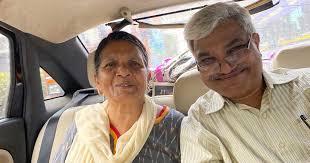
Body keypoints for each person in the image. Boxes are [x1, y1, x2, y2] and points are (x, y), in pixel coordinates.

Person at [181, 2, 310, 162]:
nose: (226, 69)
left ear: (255, 42)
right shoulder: (199, 121)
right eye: (207, 60)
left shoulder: (306, 85)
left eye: (235, 50)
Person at [54, 31, 184, 163]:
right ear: (97, 81)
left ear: (148, 77)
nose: (123, 72)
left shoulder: (176, 125)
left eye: (134, 63)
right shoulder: (83, 123)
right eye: (110, 65)